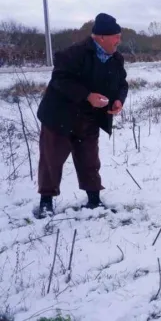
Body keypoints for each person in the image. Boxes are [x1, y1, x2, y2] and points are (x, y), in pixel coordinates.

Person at [36, 13, 129, 218]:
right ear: (101, 37)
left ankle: (94, 200)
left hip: (89, 119)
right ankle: (46, 202)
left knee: (89, 160)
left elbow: (122, 84)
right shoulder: (72, 54)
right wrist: (87, 96)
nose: (119, 41)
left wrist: (118, 100)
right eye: (116, 36)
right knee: (52, 160)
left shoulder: (116, 58)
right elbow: (60, 81)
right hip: (59, 117)